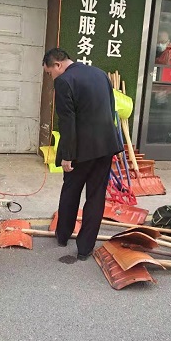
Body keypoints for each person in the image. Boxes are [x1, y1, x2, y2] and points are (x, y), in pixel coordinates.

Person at [42, 48, 123, 261]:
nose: (51, 77)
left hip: (81, 149)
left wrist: (67, 155)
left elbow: (67, 122)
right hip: (106, 146)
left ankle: (63, 235)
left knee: (71, 191)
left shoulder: (64, 81)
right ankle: (85, 249)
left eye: (49, 73)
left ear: (57, 65)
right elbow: (111, 109)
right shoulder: (100, 74)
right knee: (96, 196)